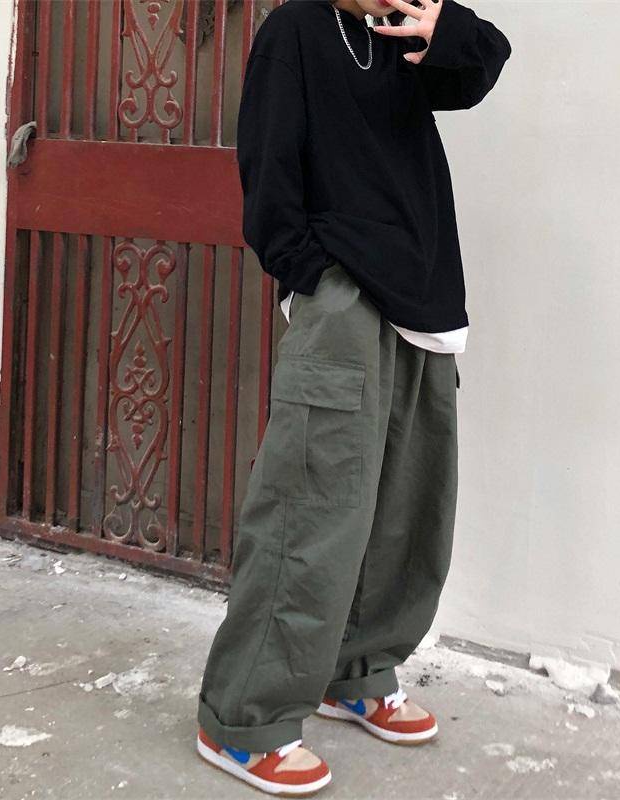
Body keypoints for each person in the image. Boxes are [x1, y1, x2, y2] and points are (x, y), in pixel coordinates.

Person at [195, 0, 511, 794]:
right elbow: (267, 176)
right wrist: (317, 282)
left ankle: (359, 671)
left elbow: (482, 65)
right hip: (346, 305)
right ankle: (244, 717)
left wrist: (442, 26)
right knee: (309, 511)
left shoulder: (399, 36)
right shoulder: (294, 33)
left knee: (409, 508)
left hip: (427, 306)